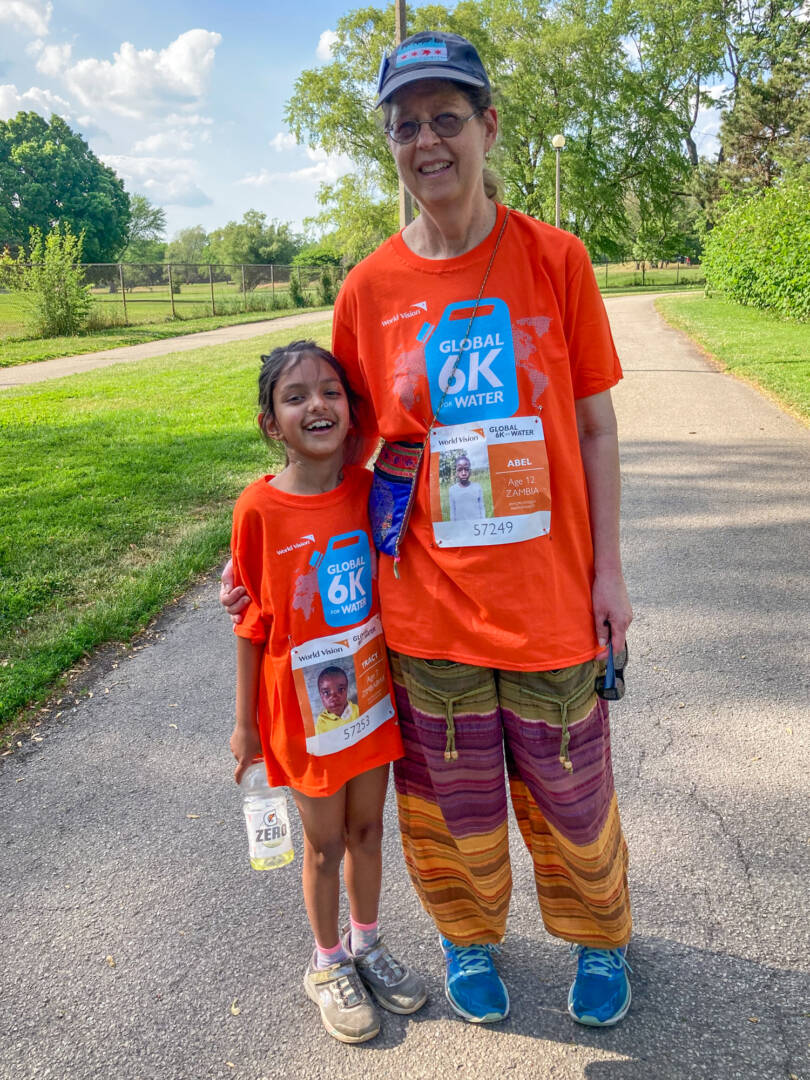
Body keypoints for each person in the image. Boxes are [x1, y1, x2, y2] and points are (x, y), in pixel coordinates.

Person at [223, 31, 633, 1030]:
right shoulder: (369, 289)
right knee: (454, 810)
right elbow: (344, 447)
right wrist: (276, 559)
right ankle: (468, 936)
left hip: (549, 596)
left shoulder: (555, 259)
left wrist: (610, 569)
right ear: (393, 147)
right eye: (407, 126)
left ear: (488, 128)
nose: (428, 141)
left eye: (448, 119)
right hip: (427, 608)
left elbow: (593, 421)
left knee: (571, 798)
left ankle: (598, 937)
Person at [229, 339, 427, 1044]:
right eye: (295, 396)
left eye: (331, 392)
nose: (317, 404)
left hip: (368, 699)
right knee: (323, 846)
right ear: (270, 424)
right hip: (301, 712)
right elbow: (251, 618)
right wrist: (246, 724)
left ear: (351, 409)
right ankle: (326, 963)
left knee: (369, 830)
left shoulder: (374, 491)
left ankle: (367, 944)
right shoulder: (257, 508)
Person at [315, 666, 360, 733]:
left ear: (347, 690)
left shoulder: (357, 710)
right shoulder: (321, 723)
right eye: (326, 692)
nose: (334, 697)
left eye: (340, 689)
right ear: (320, 695)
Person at [448, 454, 485, 521]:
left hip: (476, 527)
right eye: (460, 470)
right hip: (460, 528)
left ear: (470, 471)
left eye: (466, 469)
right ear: (456, 472)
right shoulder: (452, 490)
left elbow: (482, 509)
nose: (464, 473)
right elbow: (452, 513)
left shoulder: (477, 487)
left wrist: (482, 523)